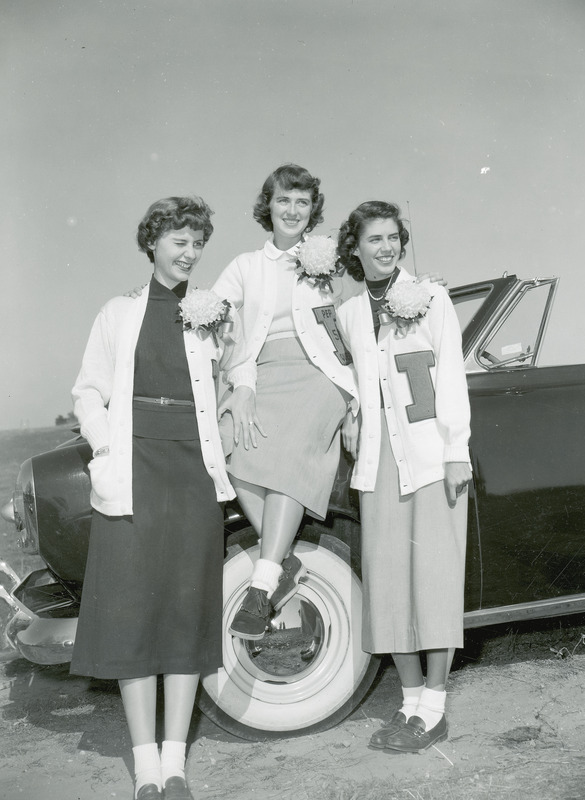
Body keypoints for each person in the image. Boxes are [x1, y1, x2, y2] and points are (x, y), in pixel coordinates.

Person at [70, 197, 256, 800]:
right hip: (133, 476)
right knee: (131, 615)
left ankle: (175, 765)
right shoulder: (117, 313)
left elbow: (242, 366)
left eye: (198, 242)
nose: (190, 252)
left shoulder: (211, 314)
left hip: (192, 476)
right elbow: (88, 393)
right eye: (179, 240)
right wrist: (105, 449)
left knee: (183, 613)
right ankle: (144, 766)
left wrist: (242, 392)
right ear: (152, 243)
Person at [335, 201, 472, 753]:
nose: (386, 247)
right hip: (378, 460)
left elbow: (453, 376)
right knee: (390, 581)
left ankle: (434, 707)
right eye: (374, 239)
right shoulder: (348, 313)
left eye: (394, 237)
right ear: (355, 247)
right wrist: (350, 408)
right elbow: (346, 375)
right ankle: (409, 699)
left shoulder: (431, 297)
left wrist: (457, 450)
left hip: (430, 453)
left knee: (433, 579)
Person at [213, 163, 361, 641]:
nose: (293, 210)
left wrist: (417, 286)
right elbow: (212, 320)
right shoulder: (244, 267)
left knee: (289, 451)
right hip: (262, 374)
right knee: (229, 444)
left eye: (302, 202)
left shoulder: (331, 259)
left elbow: (374, 293)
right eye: (284, 200)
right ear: (268, 207)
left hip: (322, 375)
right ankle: (285, 560)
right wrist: (242, 387)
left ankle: (263, 581)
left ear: (312, 209)